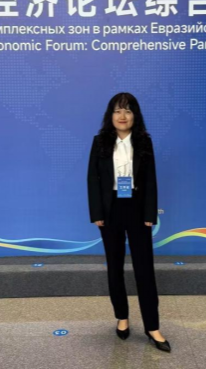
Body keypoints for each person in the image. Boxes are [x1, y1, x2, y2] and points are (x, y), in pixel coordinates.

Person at [87, 92, 171, 353]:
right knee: (114, 267)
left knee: (144, 269)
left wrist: (149, 215)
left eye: (128, 111)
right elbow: (92, 179)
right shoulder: (100, 141)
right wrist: (97, 213)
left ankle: (152, 327)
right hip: (110, 210)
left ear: (135, 115)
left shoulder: (144, 141)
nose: (122, 116)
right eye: (117, 111)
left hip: (136, 208)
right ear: (110, 115)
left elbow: (150, 180)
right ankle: (122, 317)